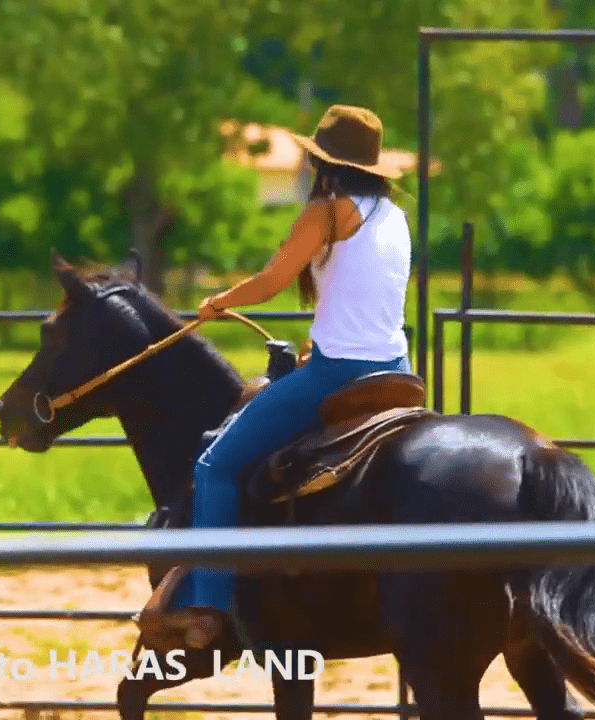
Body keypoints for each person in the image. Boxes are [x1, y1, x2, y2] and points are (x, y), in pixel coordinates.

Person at [137, 105, 414, 650]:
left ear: (325, 165)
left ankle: (210, 605)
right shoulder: (396, 218)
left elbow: (272, 281)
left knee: (215, 465)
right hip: (398, 372)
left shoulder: (327, 213)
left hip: (338, 374)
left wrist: (220, 302)